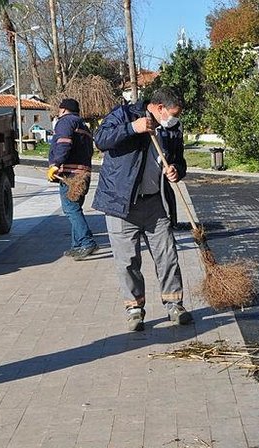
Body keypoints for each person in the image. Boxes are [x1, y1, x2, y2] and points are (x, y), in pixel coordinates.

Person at [92, 87, 192, 332]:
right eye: (171, 113)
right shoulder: (123, 115)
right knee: (127, 261)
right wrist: (132, 128)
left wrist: (176, 170)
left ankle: (174, 305)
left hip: (155, 203)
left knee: (167, 255)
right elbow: (100, 139)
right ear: (158, 108)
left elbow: (179, 159)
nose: (174, 119)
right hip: (121, 204)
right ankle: (134, 309)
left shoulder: (172, 130)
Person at [47, 98, 98, 259]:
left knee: (70, 209)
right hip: (84, 173)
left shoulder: (65, 122)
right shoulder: (83, 125)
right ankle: (77, 246)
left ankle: (87, 242)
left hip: (70, 175)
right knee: (76, 207)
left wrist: (56, 164)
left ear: (62, 110)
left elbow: (63, 143)